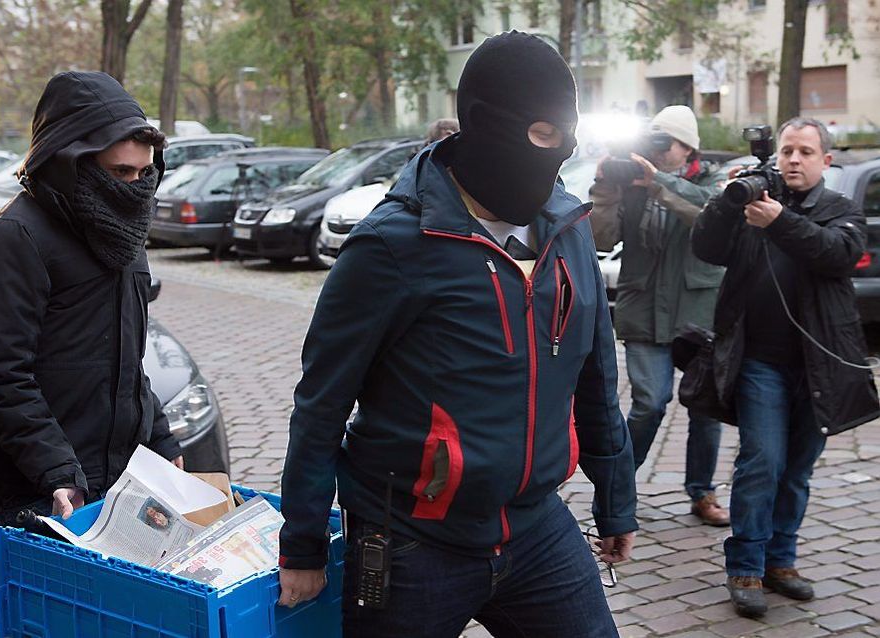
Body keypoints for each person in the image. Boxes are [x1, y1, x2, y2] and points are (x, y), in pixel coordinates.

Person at [277, 32, 637, 638]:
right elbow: (321, 402)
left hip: (534, 526)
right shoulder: (392, 245)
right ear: (482, 125)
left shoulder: (570, 229)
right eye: (543, 134)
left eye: (568, 135)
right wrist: (304, 546)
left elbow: (596, 371)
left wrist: (615, 498)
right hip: (413, 540)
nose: (557, 152)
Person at [0, 71, 183, 528]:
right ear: (70, 162)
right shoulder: (10, 241)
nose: (134, 187)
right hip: (44, 492)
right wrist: (55, 468)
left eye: (143, 173)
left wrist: (161, 441)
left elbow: (126, 363)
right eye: (120, 172)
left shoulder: (123, 236)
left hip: (119, 481)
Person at [691, 117, 880, 618]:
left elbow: (838, 253)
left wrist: (778, 221)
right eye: (787, 151)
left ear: (826, 161)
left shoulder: (840, 209)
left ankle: (782, 561)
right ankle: (746, 567)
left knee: (796, 471)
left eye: (805, 152)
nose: (794, 159)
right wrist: (725, 204)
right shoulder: (751, 205)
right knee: (762, 462)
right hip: (759, 364)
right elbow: (706, 249)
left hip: (819, 368)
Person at [589, 105, 731, 526]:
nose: (655, 149)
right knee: (649, 404)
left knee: (706, 407)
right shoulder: (627, 181)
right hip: (645, 311)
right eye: (651, 140)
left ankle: (702, 492)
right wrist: (605, 186)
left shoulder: (712, 181)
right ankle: (618, 487)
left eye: (663, 142)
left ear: (687, 147)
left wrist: (659, 183)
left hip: (699, 312)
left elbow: (710, 215)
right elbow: (600, 237)